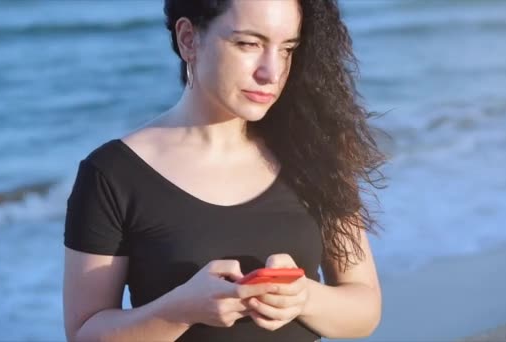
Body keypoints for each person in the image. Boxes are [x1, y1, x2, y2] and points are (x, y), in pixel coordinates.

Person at [63, 0, 387, 341]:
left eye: (287, 48)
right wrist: (180, 310)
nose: (271, 72)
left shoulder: (313, 152)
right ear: (189, 38)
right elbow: (84, 334)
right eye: (249, 44)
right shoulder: (112, 174)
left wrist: (304, 298)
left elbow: (365, 309)